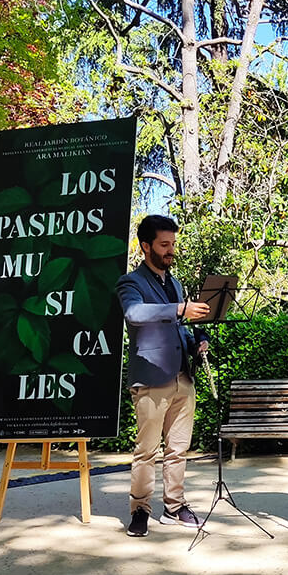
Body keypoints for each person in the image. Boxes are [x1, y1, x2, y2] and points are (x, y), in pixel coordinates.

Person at [116, 215, 210, 537]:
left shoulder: (175, 284)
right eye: (164, 245)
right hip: (151, 379)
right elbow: (134, 314)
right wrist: (179, 309)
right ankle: (140, 509)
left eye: (173, 244)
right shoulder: (130, 283)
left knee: (179, 449)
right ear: (146, 246)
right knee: (146, 451)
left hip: (183, 377)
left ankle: (174, 506)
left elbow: (179, 326)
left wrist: (197, 340)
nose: (171, 251)